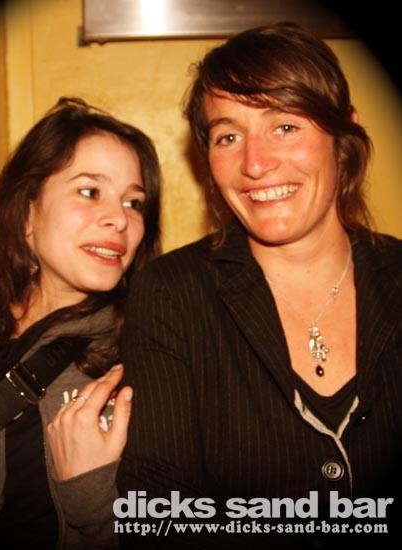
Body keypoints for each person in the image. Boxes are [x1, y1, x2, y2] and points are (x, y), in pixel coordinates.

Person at [117, 23, 402, 549]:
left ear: (343, 139)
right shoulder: (172, 293)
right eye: (228, 136)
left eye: (285, 126)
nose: (254, 163)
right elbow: (158, 513)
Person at [0, 97, 161, 548]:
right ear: (28, 212)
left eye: (134, 202)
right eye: (90, 192)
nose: (119, 219)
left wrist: (92, 497)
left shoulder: (140, 350)